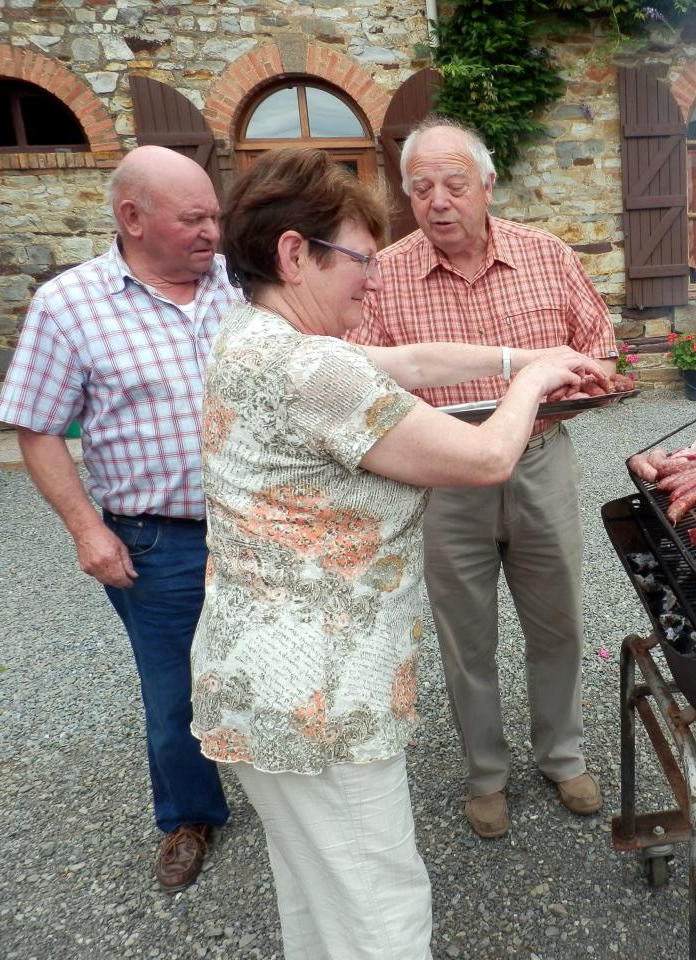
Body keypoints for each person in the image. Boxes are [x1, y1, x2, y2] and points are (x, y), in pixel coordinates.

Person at [189, 147, 609, 960]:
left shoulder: (250, 335)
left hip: (257, 680)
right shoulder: (311, 369)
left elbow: (410, 363)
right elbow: (486, 460)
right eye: (357, 260)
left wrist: (525, 358)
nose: (371, 281)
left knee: (318, 892)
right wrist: (530, 389)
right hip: (319, 697)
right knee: (379, 907)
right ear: (293, 255)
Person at [351, 116, 618, 839]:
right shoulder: (386, 276)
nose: (438, 201)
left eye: (454, 184)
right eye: (421, 187)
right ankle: (486, 774)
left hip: (538, 458)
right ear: (406, 194)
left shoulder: (546, 256)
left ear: (488, 185)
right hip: (443, 475)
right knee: (464, 636)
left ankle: (562, 756)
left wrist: (577, 383)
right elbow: (362, 382)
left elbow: (600, 346)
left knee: (557, 619)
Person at [0, 145, 239, 893]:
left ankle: (286, 785)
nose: (211, 233)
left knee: (269, 665)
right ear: (132, 218)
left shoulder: (245, 284)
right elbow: (37, 428)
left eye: (215, 216)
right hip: (156, 538)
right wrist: (86, 530)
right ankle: (189, 815)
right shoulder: (69, 306)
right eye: (192, 218)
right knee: (174, 692)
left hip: (263, 526)